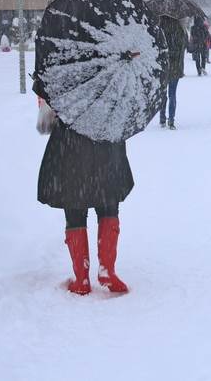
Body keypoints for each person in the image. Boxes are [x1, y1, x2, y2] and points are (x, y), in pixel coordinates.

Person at [33, 81, 133, 296]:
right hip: (106, 137)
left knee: (74, 203)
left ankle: (81, 279)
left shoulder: (64, 59)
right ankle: (107, 270)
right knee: (107, 202)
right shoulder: (114, 56)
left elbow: (45, 104)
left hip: (71, 141)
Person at [158, 15, 187, 129]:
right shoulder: (179, 29)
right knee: (172, 94)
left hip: (162, 67)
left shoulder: (159, 29)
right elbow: (184, 46)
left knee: (162, 93)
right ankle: (171, 120)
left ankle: (161, 118)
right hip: (175, 66)